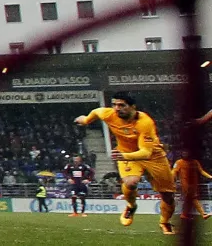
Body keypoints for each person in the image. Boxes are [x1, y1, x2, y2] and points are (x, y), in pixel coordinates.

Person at [75, 92, 177, 235]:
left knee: (168, 195)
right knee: (130, 182)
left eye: (122, 105)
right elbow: (96, 112)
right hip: (126, 155)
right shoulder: (109, 114)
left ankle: (165, 222)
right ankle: (131, 206)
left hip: (153, 157)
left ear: (132, 107)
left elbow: (146, 153)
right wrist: (86, 120)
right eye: (114, 104)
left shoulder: (145, 122)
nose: (117, 108)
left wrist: (124, 155)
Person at [172, 152, 212, 220]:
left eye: (186, 152)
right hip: (185, 185)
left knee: (190, 199)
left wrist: (210, 176)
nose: (185, 154)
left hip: (193, 184)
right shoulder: (179, 162)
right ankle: (203, 214)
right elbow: (174, 171)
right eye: (183, 153)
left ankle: (184, 214)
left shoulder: (195, 162)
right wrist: (173, 180)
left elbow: (201, 171)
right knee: (193, 198)